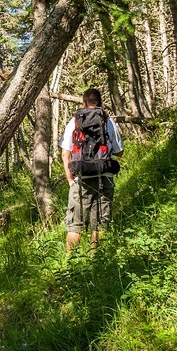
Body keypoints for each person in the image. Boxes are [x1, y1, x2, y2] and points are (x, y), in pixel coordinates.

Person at [61, 87, 123, 251]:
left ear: (83, 102)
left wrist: (70, 180)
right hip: (105, 176)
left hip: (81, 178)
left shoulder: (73, 123)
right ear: (100, 103)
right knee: (100, 222)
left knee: (75, 224)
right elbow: (119, 152)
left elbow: (65, 154)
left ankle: (70, 263)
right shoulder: (108, 122)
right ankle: (97, 260)